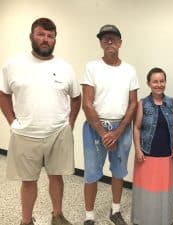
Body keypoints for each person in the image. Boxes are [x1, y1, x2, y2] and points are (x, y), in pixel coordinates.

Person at [0, 18, 81, 225]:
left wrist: (70, 124)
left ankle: (57, 215)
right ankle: (26, 220)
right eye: (41, 34)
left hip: (58, 134)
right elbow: (3, 94)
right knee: (28, 182)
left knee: (57, 177)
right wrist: (12, 122)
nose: (46, 39)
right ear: (31, 36)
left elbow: (76, 97)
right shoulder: (13, 65)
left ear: (55, 39)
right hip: (25, 133)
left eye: (50, 36)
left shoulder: (65, 67)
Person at [81, 24, 139, 225]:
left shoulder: (130, 70)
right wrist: (104, 133)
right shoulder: (91, 67)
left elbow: (133, 103)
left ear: (120, 43)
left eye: (113, 38)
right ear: (100, 43)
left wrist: (118, 131)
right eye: (104, 38)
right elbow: (86, 103)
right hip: (95, 128)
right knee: (91, 173)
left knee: (118, 172)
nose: (109, 41)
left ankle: (115, 211)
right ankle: (89, 216)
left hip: (121, 129)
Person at [131, 67, 173, 225]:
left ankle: (163, 219)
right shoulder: (143, 104)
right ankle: (144, 219)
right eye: (155, 81)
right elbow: (137, 127)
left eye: (162, 81)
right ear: (149, 83)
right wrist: (138, 149)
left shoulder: (172, 103)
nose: (159, 84)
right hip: (146, 154)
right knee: (146, 190)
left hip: (166, 154)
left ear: (165, 82)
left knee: (163, 190)